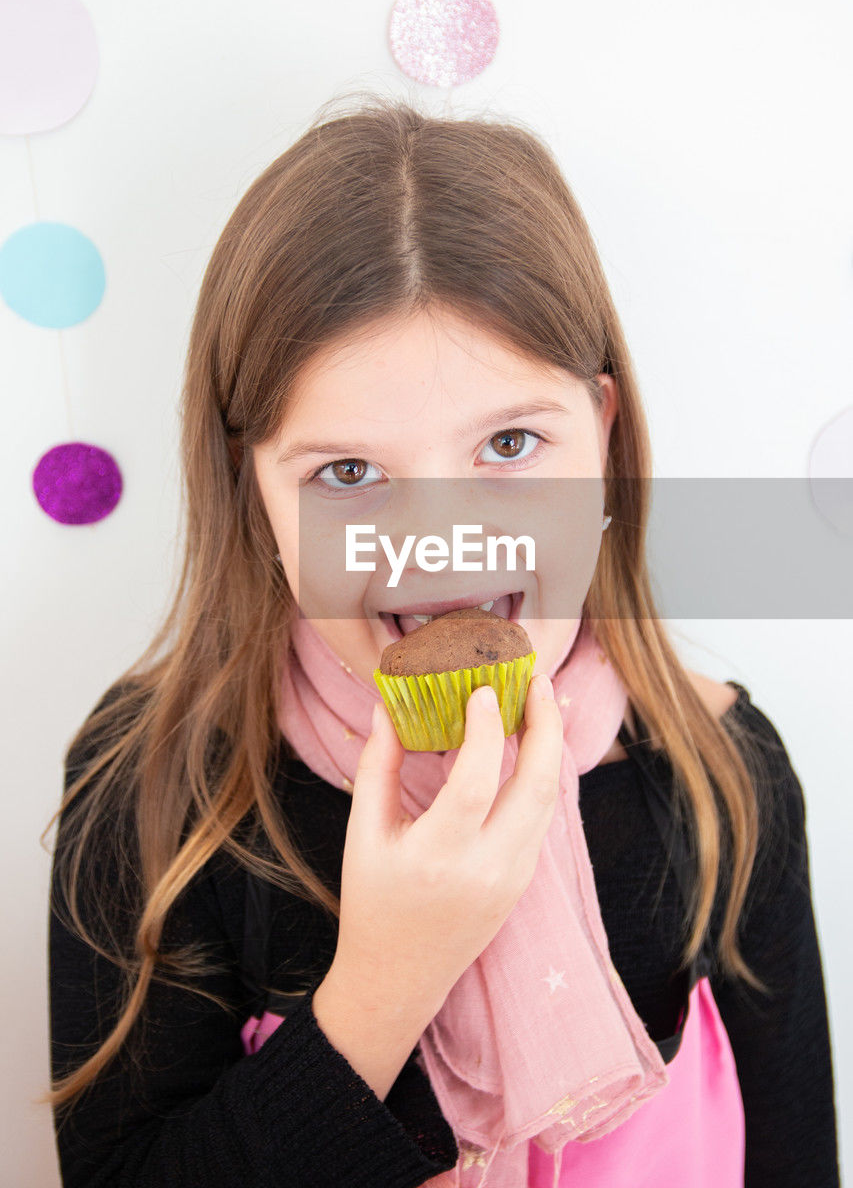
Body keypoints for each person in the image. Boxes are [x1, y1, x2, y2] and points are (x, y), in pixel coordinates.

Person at [44, 95, 839, 1188]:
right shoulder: (154, 780)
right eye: (349, 473)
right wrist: (381, 985)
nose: (443, 545)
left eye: (510, 442)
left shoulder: (721, 770)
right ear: (254, 494)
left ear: (602, 435)